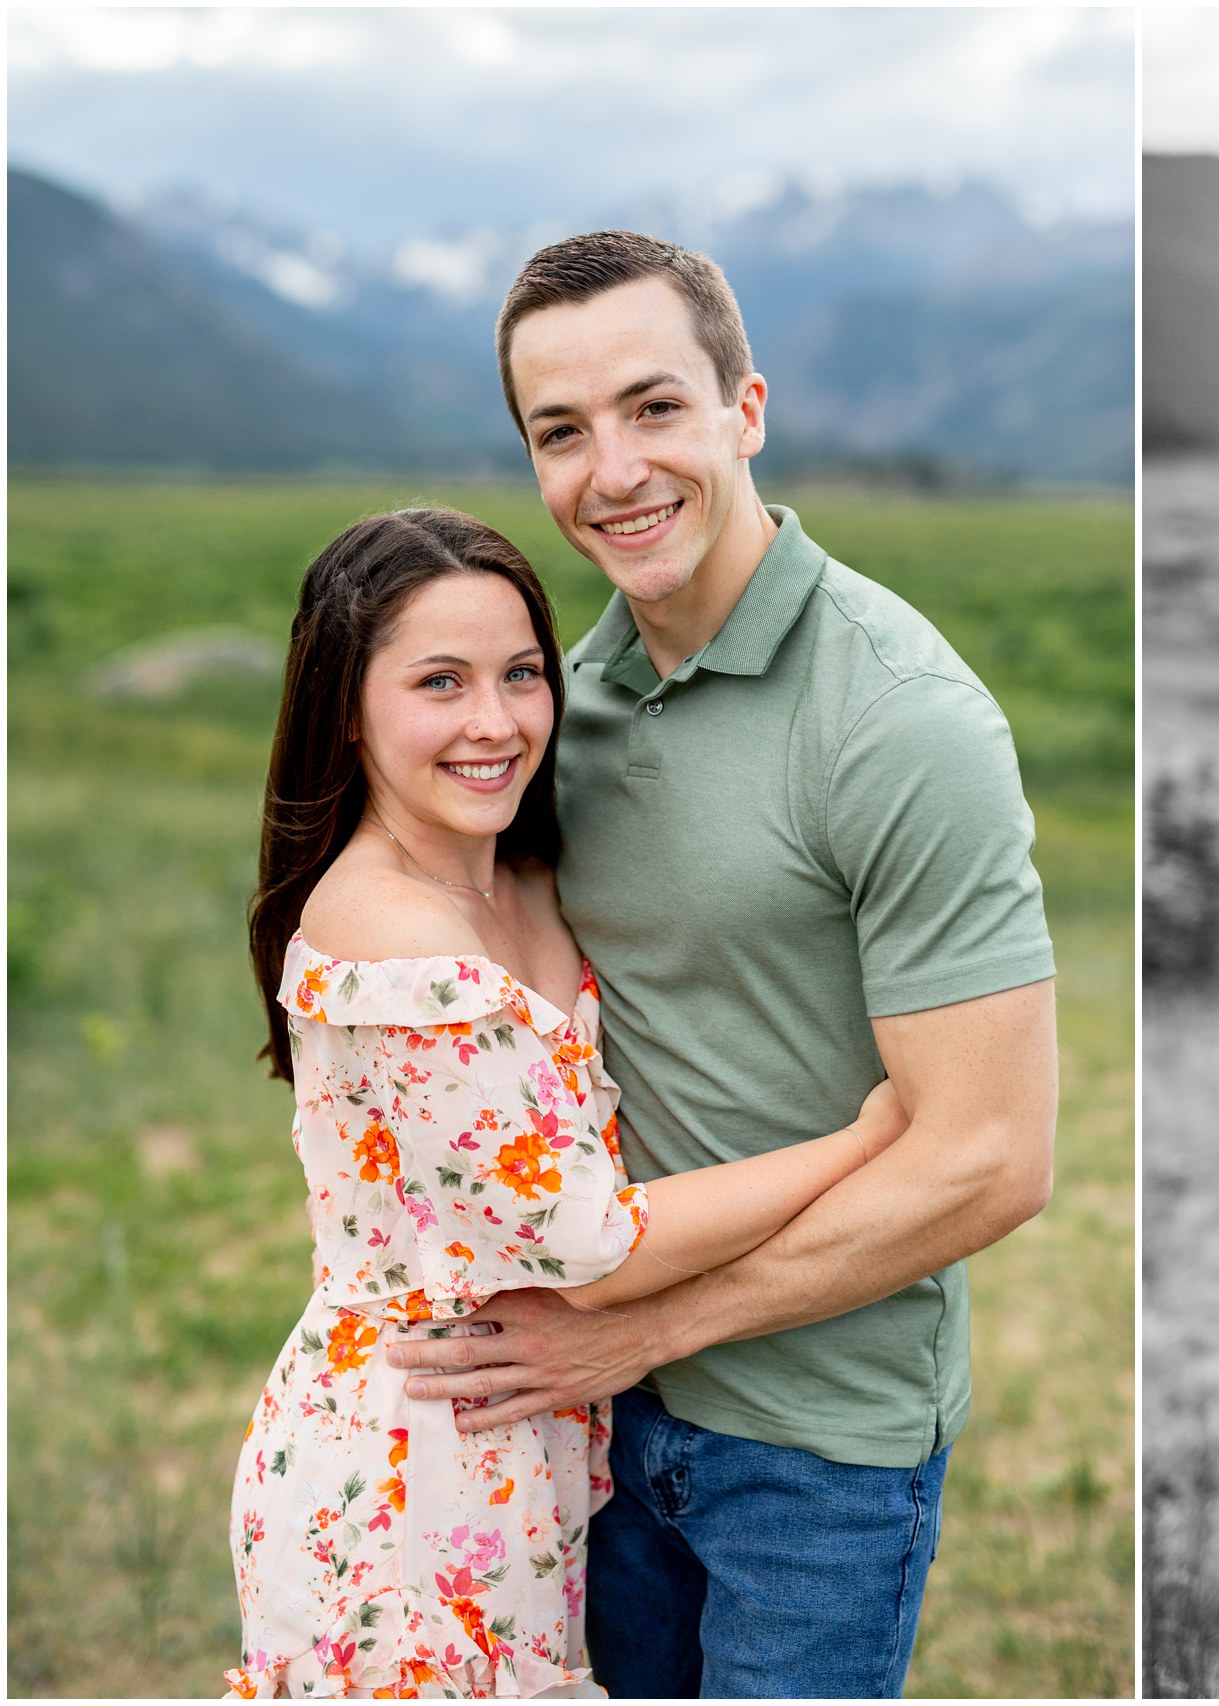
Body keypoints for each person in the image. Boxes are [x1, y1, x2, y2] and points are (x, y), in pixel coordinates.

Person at [385, 232, 1060, 1697]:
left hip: (819, 1450)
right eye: (561, 432)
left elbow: (991, 1160)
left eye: (654, 408)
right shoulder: (565, 710)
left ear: (745, 410)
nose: (612, 470)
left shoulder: (901, 719)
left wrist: (640, 1329)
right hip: (598, 1431)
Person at [231, 509, 912, 1697]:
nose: (495, 722)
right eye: (439, 682)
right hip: (411, 1463)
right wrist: (862, 1141)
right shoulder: (388, 928)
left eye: (522, 674)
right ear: (348, 704)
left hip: (529, 1441)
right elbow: (588, 1242)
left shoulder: (526, 873)